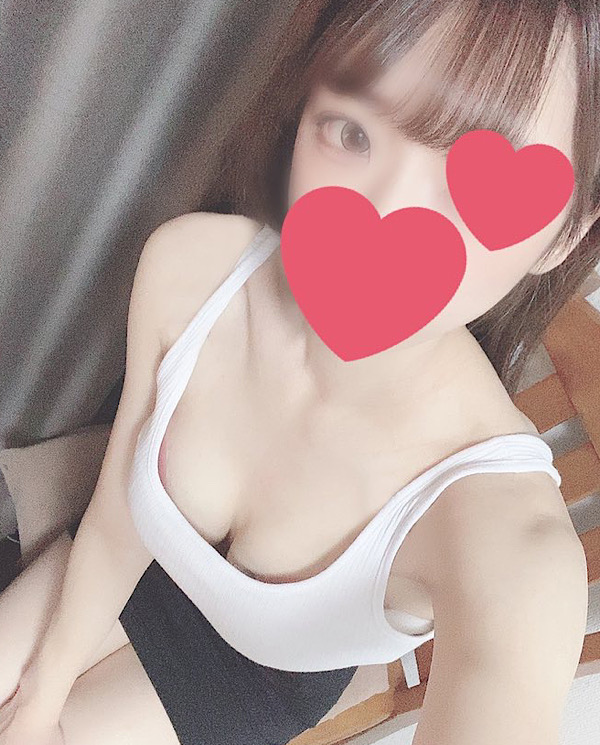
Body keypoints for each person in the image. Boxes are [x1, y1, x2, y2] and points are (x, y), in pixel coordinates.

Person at [1, 1, 599, 743]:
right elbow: (120, 514)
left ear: (564, 235)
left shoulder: (500, 534)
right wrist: (42, 690)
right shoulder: (190, 268)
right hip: (144, 568)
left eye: (470, 182)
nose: (385, 212)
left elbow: (513, 630)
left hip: (257, 672)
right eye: (352, 133)